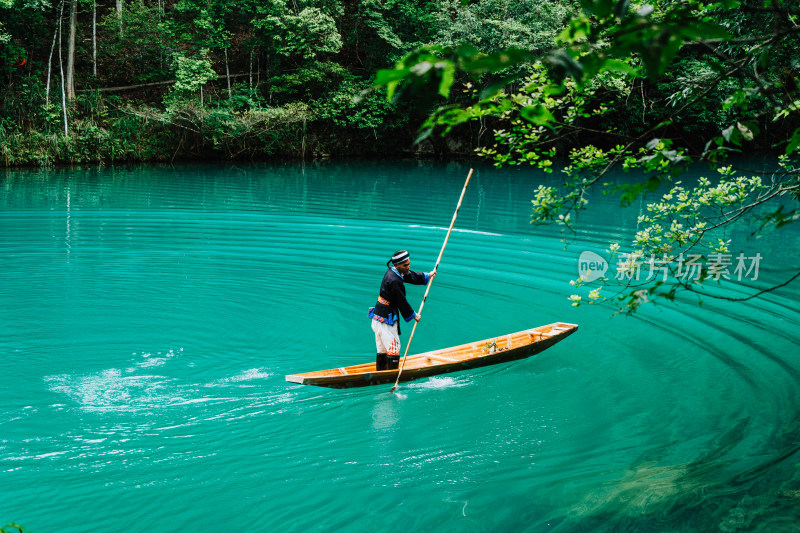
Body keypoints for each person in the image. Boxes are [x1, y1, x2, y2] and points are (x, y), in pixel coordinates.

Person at [369, 250, 436, 370]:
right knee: (394, 346)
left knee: (382, 347)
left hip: (379, 315)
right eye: (405, 265)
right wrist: (413, 315)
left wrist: (427, 276)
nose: (408, 267)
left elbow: (409, 275)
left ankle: (381, 371)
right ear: (397, 265)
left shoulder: (394, 271)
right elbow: (401, 301)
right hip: (386, 318)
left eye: (409, 264)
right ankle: (392, 374)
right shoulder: (394, 280)